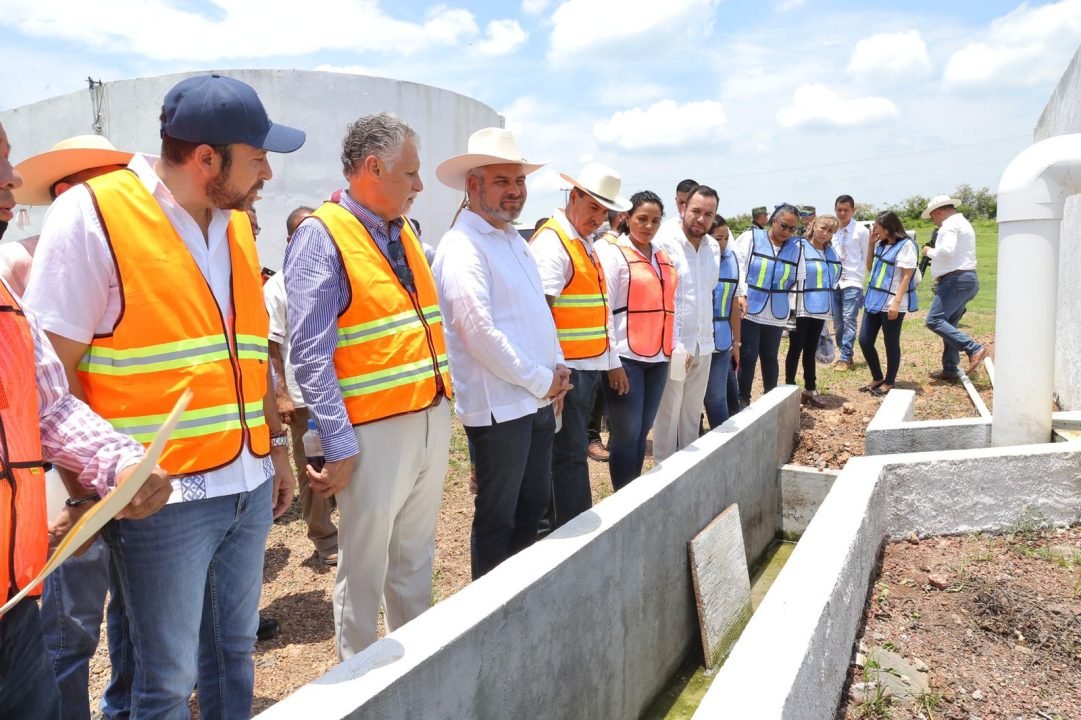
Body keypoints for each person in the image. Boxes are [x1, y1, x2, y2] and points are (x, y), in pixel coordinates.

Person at [25, 74, 301, 719]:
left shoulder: (234, 222)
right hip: (161, 501)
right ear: (206, 159)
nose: (267, 173)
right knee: (164, 683)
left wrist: (277, 449)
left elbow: (249, 351)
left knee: (233, 653)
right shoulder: (93, 214)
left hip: (248, 481)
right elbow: (47, 378)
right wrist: (83, 491)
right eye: (257, 157)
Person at [0, 124, 173, 720]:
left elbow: (47, 405)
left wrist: (119, 461)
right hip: (54, 516)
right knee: (71, 632)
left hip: (14, 595)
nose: (11, 179)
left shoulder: (4, 300)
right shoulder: (29, 267)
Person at [286, 113, 451, 659]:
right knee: (362, 570)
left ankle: (415, 670)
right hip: (372, 430)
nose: (419, 185)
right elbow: (308, 352)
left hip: (427, 415)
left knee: (413, 558)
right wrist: (338, 442)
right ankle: (357, 684)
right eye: (410, 173)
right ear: (372, 168)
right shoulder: (322, 235)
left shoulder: (402, 231)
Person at [432, 127, 570, 578]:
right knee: (498, 519)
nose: (515, 192)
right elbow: (478, 332)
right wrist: (539, 378)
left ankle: (516, 599)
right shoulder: (462, 246)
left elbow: (536, 314)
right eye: (502, 181)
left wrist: (556, 368)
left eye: (520, 181)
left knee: (532, 509)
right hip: (501, 406)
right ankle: (487, 619)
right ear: (474, 186)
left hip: (534, 398)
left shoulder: (513, 240)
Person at [530, 162, 627, 528]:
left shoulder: (581, 241)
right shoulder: (554, 243)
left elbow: (598, 308)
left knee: (568, 453)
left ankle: (566, 526)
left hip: (586, 366)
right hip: (567, 371)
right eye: (593, 207)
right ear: (574, 198)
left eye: (605, 211)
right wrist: (553, 375)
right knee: (566, 456)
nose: (599, 217)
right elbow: (541, 314)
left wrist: (609, 359)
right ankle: (571, 530)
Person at [265, 205, 339, 567]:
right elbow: (271, 346)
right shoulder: (277, 286)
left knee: (343, 457)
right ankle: (324, 538)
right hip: (300, 394)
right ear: (291, 240)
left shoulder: (332, 277)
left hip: (338, 389)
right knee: (312, 465)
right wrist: (280, 395)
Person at [596, 190, 676, 489]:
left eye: (655, 220)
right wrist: (611, 361)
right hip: (626, 358)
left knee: (643, 431)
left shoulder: (661, 256)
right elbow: (604, 309)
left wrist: (675, 347)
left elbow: (672, 305)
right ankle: (623, 498)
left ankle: (634, 494)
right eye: (642, 218)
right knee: (626, 434)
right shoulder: (614, 253)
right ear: (626, 218)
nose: (648, 226)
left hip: (658, 357)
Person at [653, 185, 720, 461]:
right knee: (668, 415)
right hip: (676, 346)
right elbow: (660, 297)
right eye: (695, 211)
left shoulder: (713, 247)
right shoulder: (664, 242)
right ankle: (662, 474)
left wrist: (704, 341)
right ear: (683, 208)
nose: (701, 219)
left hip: (704, 343)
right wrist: (677, 344)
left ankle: (688, 473)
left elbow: (707, 293)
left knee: (692, 414)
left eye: (708, 213)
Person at [738, 204, 803, 408]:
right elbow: (738, 267)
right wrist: (741, 294)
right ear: (772, 221)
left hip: (776, 310)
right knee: (748, 355)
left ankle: (769, 401)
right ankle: (742, 400)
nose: (787, 232)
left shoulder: (797, 248)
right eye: (784, 226)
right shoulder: (751, 238)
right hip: (750, 307)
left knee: (769, 355)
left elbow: (797, 278)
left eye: (793, 229)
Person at [921, 194, 988, 380]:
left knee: (934, 320)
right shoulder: (963, 223)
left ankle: (973, 348)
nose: (933, 221)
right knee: (949, 324)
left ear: (939, 211)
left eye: (933, 216)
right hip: (966, 279)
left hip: (955, 280)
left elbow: (946, 251)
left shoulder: (949, 225)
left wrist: (928, 251)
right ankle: (950, 368)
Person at [859, 211, 919, 396]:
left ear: (887, 228)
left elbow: (907, 275)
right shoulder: (880, 245)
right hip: (874, 299)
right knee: (864, 340)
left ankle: (890, 381)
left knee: (890, 342)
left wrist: (896, 302)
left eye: (876, 227)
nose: (874, 230)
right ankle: (877, 377)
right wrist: (870, 245)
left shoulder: (906, 246)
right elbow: (869, 267)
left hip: (892, 301)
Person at [785, 215, 841, 407]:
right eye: (823, 228)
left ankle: (810, 389)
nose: (825, 234)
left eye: (830, 231)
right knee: (795, 348)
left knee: (810, 349)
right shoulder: (799, 247)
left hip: (820, 307)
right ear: (814, 226)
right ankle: (789, 390)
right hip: (800, 305)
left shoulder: (831, 252)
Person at [703, 215, 744, 428]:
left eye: (726, 238)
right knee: (689, 403)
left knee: (716, 398)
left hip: (722, 342)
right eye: (718, 238)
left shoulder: (731, 262)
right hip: (696, 342)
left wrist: (736, 343)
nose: (723, 243)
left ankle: (722, 445)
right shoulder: (695, 263)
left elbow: (733, 305)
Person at [831, 194, 870, 371]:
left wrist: (861, 277)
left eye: (846, 210)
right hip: (834, 282)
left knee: (849, 319)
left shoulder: (861, 231)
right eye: (839, 209)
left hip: (853, 280)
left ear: (853, 210)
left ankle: (845, 356)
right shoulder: (832, 230)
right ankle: (845, 354)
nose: (842, 213)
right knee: (838, 323)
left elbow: (867, 255)